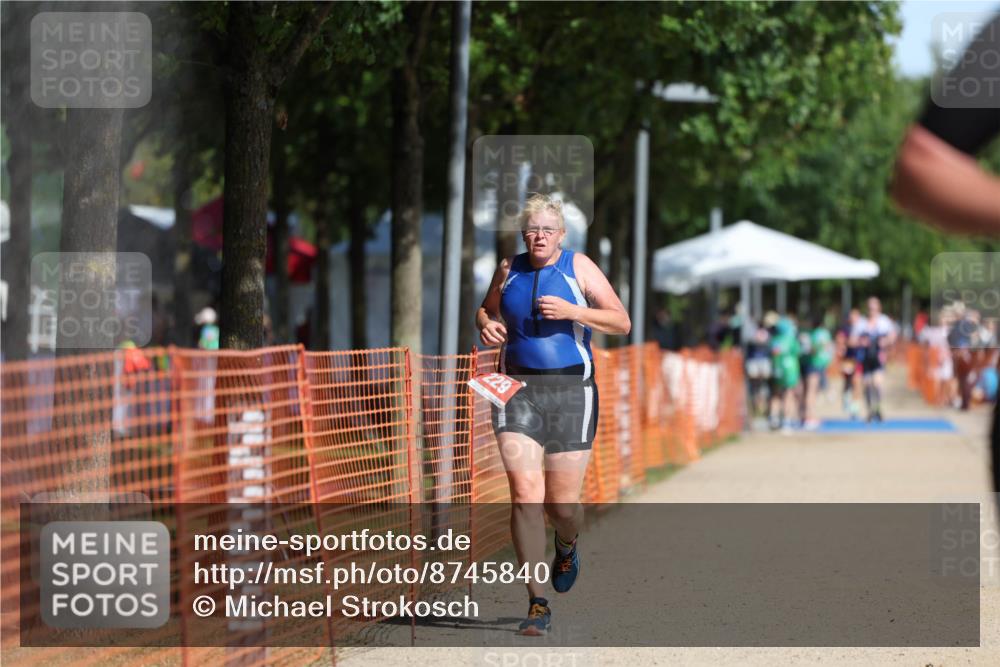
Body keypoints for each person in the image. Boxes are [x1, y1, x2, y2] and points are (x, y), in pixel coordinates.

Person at [475, 193, 630, 636]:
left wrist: (572, 311)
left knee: (560, 505)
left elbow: (621, 322)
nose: (538, 236)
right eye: (531, 230)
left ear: (561, 234)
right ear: (522, 234)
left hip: (571, 392)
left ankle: (567, 542)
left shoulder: (578, 267)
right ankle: (537, 603)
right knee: (524, 492)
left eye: (546, 229)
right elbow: (486, 308)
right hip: (514, 389)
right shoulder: (509, 268)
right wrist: (483, 320)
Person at [852, 297, 897, 423]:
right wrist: (861, 342)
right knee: (866, 385)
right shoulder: (861, 323)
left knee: (877, 383)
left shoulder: (884, 321)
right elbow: (852, 340)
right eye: (870, 308)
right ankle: (870, 411)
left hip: (878, 358)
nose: (872, 311)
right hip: (865, 358)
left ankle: (877, 407)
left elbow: (893, 336)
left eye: (874, 308)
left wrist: (885, 341)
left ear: (879, 308)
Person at [769, 315, 800, 433]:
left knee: (776, 394)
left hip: (777, 370)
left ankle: (774, 418)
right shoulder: (791, 340)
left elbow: (773, 354)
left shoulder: (775, 340)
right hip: (790, 371)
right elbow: (798, 351)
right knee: (789, 394)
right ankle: (787, 421)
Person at [803, 316, 834, 430]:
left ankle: (810, 416)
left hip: (816, 365)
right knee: (811, 391)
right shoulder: (821, 334)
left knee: (813, 391)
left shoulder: (812, 334)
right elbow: (822, 348)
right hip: (815, 365)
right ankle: (808, 417)